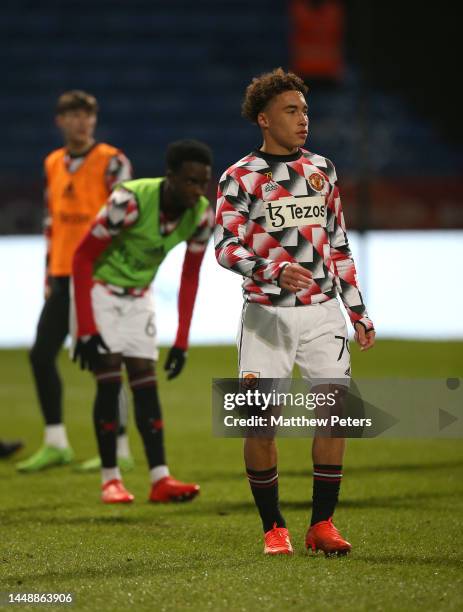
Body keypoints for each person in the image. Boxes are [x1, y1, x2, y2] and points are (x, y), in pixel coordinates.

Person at [214, 68, 375, 555]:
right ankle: (273, 527)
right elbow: (225, 248)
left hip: (324, 314)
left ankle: (322, 524)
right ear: (264, 120)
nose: (303, 119)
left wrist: (357, 311)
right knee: (259, 425)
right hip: (267, 318)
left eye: (305, 110)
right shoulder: (239, 177)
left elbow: (340, 245)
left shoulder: (321, 169)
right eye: (291, 110)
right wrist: (270, 270)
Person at [72, 139, 213, 504]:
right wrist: (86, 330)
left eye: (203, 183)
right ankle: (110, 480)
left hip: (139, 297)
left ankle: (160, 479)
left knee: (145, 382)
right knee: (108, 378)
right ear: (170, 178)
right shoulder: (128, 202)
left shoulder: (200, 215)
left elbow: (190, 278)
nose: (197, 191)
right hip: (100, 290)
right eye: (190, 182)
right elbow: (82, 259)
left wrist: (182, 341)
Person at [17, 90, 134, 473]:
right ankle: (56, 442)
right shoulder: (53, 162)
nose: (81, 121)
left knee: (106, 359)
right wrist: (48, 273)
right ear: (60, 121)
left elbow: (125, 221)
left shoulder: (112, 162)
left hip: (99, 275)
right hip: (64, 275)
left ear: (94, 121)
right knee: (40, 356)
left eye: (87, 115)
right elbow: (52, 221)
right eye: (73, 115)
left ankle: (119, 448)